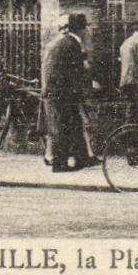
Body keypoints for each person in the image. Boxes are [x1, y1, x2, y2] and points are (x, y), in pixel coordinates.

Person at [42, 12, 93, 172]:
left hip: (60, 92)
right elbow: (75, 72)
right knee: (64, 127)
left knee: (73, 125)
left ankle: (81, 159)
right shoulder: (72, 44)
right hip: (62, 93)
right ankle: (60, 163)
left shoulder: (65, 42)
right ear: (82, 30)